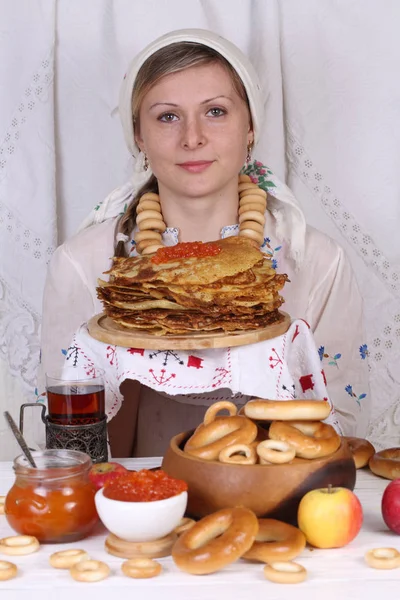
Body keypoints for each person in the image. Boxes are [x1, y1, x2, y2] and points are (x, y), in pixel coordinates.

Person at [39, 29, 370, 457]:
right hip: (136, 505)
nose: (192, 138)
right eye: (167, 116)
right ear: (139, 135)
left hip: (279, 497)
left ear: (250, 127)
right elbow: (71, 447)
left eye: (215, 111)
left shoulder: (316, 262)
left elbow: (342, 431)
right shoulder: (84, 266)